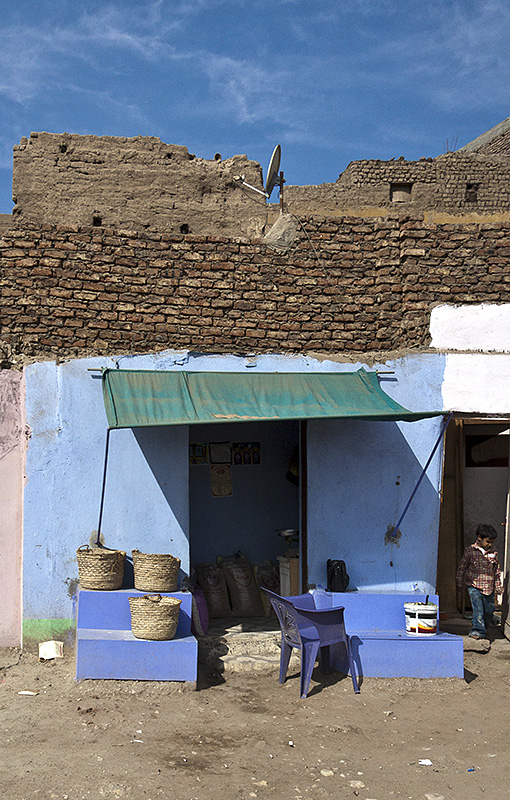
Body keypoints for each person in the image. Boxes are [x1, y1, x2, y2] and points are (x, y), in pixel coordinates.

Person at [456, 523, 503, 640]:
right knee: (478, 609)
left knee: (488, 611)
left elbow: (496, 571)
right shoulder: (470, 551)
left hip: (489, 588)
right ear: (479, 538)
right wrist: (459, 583)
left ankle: (484, 629)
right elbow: (462, 567)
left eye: (492, 542)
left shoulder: (494, 553)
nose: (490, 544)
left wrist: (498, 587)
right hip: (474, 585)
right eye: (488, 541)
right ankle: (477, 631)